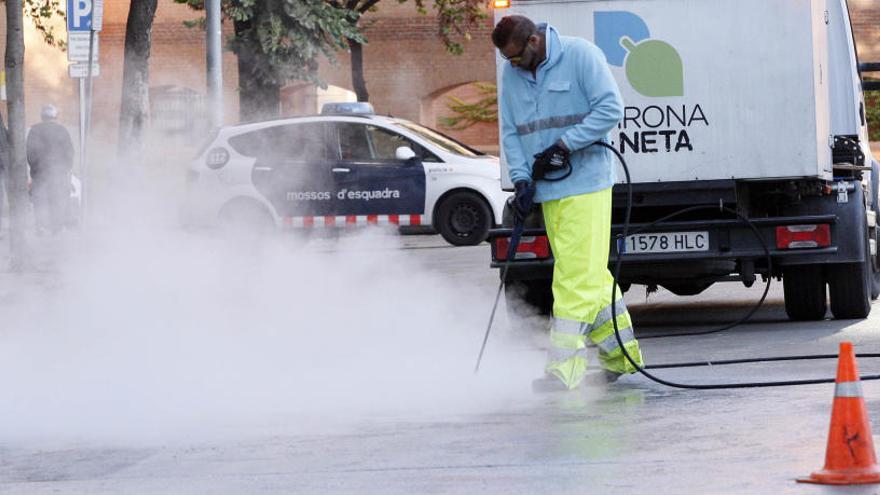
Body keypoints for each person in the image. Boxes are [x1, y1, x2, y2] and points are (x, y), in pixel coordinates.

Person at [492, 15, 644, 391]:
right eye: (506, 60)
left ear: (533, 41)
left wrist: (565, 146)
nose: (512, 66)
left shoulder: (580, 56)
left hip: (586, 185)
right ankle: (622, 356)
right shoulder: (512, 74)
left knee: (573, 280)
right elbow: (512, 131)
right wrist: (522, 178)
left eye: (516, 57)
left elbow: (610, 109)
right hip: (548, 191)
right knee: (591, 276)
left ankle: (564, 370)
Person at [27, 104, 74, 234]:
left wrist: (35, 169)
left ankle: (42, 227)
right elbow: (69, 153)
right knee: (57, 200)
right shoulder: (62, 130)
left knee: (41, 200)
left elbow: (30, 153)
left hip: (40, 174)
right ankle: (56, 228)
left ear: (42, 116)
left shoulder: (34, 130)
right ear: (55, 116)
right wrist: (65, 169)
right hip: (58, 173)